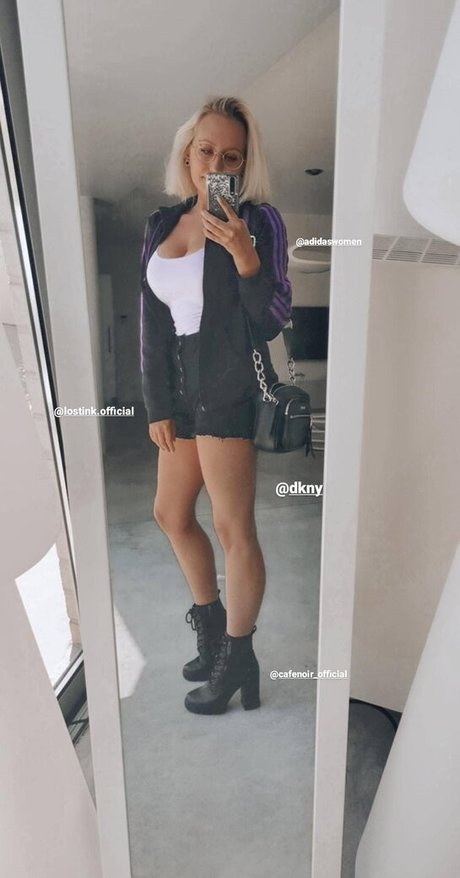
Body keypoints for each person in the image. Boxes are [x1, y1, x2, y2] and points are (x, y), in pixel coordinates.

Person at [140, 95, 291, 715]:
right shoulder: (160, 223)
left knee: (233, 528)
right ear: (188, 153)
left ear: (245, 163)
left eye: (232, 157)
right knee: (171, 513)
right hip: (178, 387)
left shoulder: (260, 220)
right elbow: (153, 320)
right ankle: (213, 633)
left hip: (228, 385)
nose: (216, 165)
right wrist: (156, 403)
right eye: (206, 151)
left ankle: (238, 659)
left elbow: (273, 317)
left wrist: (246, 257)